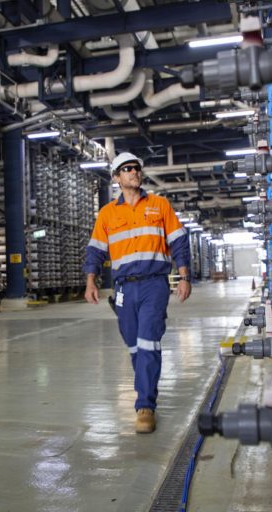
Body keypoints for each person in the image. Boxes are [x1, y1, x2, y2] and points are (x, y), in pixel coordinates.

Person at [83, 151, 192, 434]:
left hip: (154, 285)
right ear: (117, 178)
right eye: (127, 169)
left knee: (147, 342)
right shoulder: (108, 213)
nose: (134, 172)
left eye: (137, 168)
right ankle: (146, 385)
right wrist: (90, 281)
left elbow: (179, 242)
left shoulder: (159, 205)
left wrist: (184, 276)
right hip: (123, 289)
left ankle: (145, 405)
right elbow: (95, 249)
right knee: (134, 345)